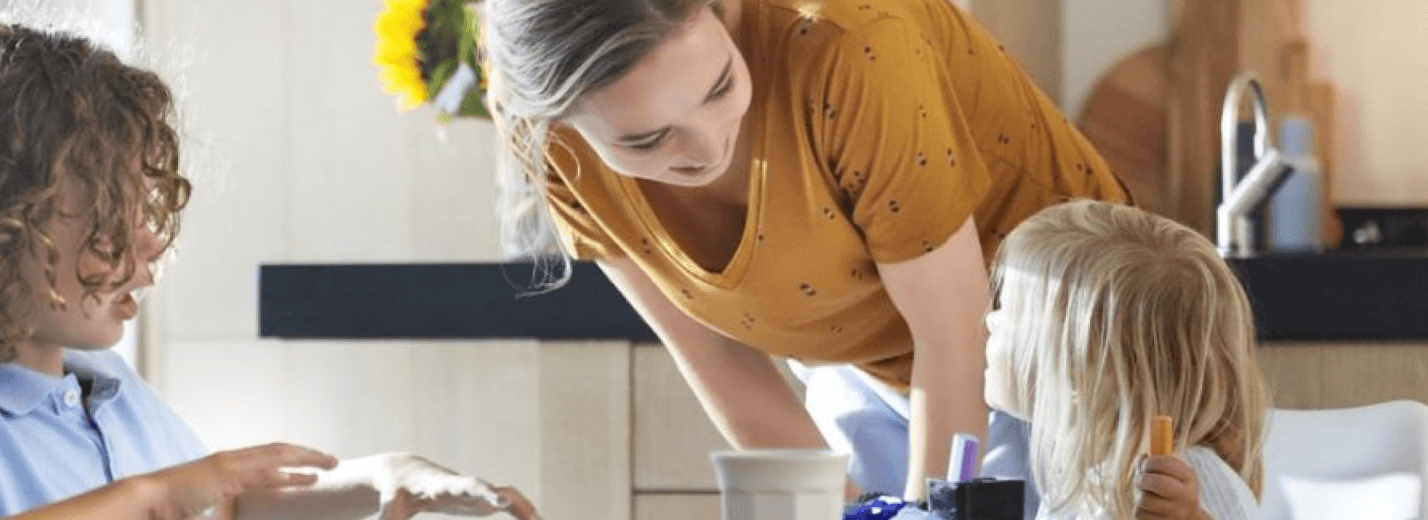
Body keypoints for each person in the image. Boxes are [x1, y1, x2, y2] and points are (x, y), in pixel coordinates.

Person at [476, 0, 1131, 499]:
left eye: (720, 87)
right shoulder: (549, 139)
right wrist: (843, 510)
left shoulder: (851, 44)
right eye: (647, 140)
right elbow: (715, 352)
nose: (708, 147)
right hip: (858, 365)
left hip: (1067, 346)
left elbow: (955, 332)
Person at [0, 23, 540, 520]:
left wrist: (384, 477)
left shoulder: (108, 387)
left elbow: (218, 506)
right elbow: (177, 495)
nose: (150, 245)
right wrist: (159, 495)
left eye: (142, 213)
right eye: (107, 222)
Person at [983, 200, 1271, 520]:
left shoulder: (1174, 483)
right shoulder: (1091, 476)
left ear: (1083, 369)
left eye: (1008, 309)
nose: (990, 320)